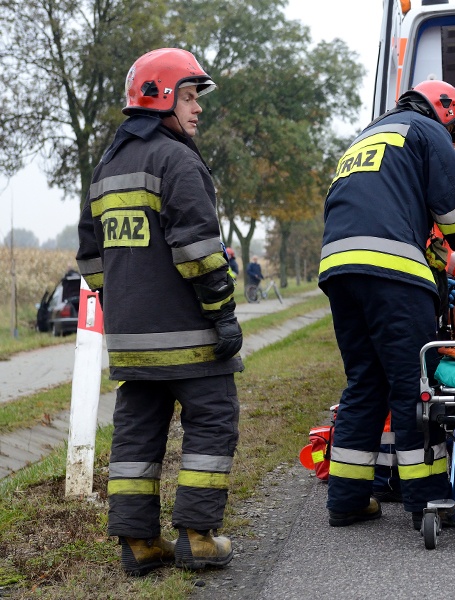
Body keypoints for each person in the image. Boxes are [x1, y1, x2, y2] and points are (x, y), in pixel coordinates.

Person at [76, 48, 242, 576]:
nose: (197, 110)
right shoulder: (178, 160)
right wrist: (223, 317)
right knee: (213, 422)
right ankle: (197, 535)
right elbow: (199, 251)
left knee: (136, 435)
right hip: (190, 336)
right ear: (162, 99)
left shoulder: (106, 165)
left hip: (130, 341)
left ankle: (139, 545)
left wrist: (125, 304)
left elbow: (89, 257)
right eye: (190, 97)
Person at [319, 79, 455, 530]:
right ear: (447, 113)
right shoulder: (424, 129)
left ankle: (347, 499)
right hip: (392, 273)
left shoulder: (367, 136)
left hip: (339, 269)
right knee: (414, 387)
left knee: (364, 382)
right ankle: (428, 501)